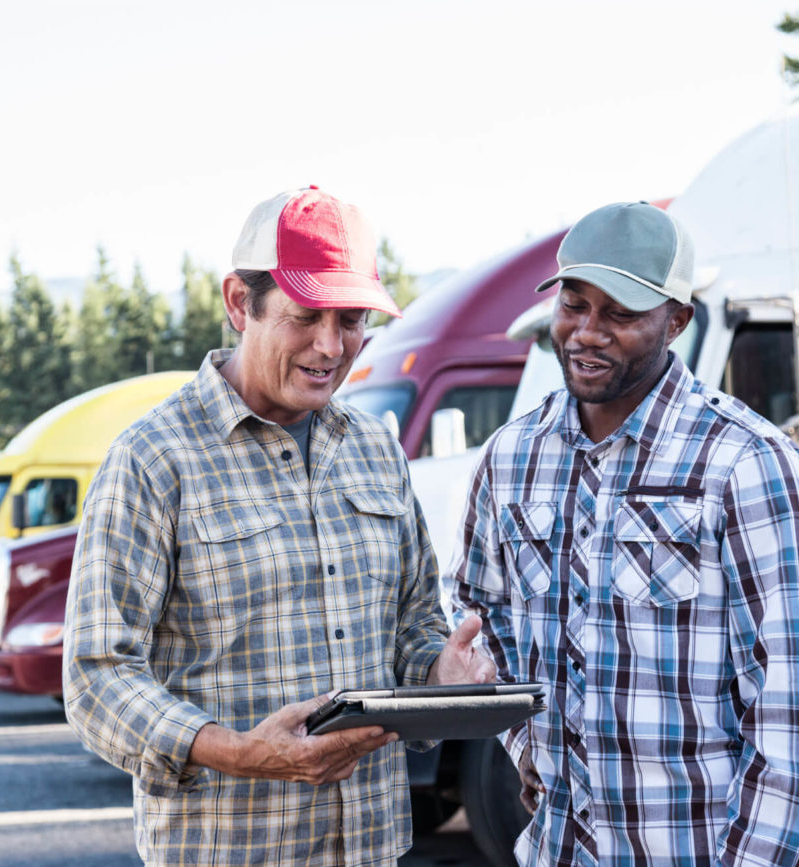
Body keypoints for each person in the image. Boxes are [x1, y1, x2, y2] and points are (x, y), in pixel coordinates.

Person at [63, 185, 494, 867]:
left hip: (372, 847)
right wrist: (239, 752)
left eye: (350, 318)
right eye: (306, 316)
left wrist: (441, 671)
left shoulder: (376, 449)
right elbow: (97, 677)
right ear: (240, 302)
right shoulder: (153, 460)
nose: (331, 345)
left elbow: (413, 623)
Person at [443, 202, 799, 866]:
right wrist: (524, 742)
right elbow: (480, 613)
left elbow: (788, 716)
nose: (587, 332)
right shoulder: (512, 457)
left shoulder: (746, 462)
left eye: (620, 314)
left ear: (677, 319)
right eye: (574, 303)